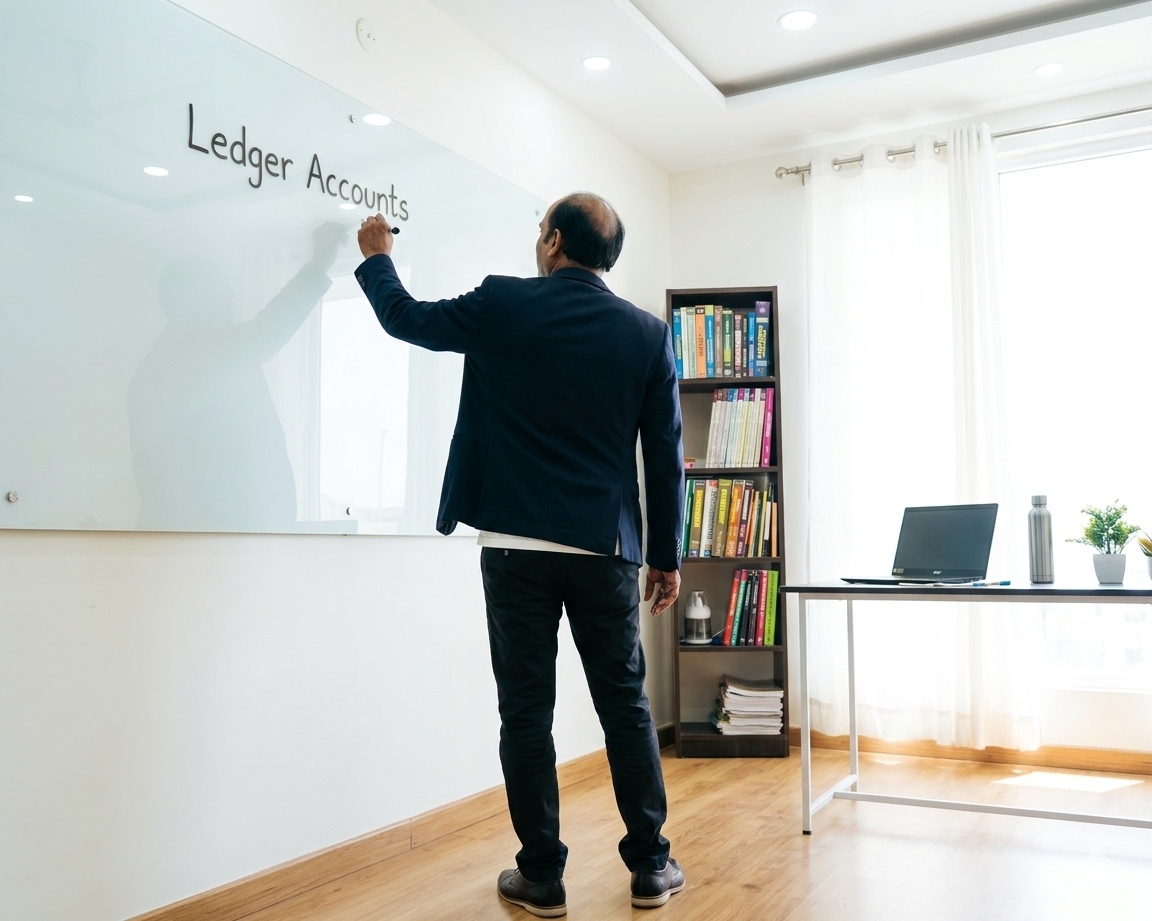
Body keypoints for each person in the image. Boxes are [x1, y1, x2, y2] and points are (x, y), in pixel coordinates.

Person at [355, 193, 684, 916]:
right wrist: (665, 555)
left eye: (542, 232)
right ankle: (652, 869)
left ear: (555, 242)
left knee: (526, 714)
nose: (539, 242)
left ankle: (541, 877)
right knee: (626, 708)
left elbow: (406, 319)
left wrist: (379, 260)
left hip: (513, 548)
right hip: (606, 550)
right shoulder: (646, 334)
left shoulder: (503, 304)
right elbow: (664, 457)